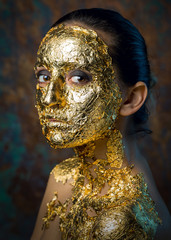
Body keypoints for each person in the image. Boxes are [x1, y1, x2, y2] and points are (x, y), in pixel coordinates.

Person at [31, 8, 171, 240]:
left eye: (78, 78)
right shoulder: (65, 177)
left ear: (130, 98)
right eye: (44, 76)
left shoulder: (121, 222)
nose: (49, 99)